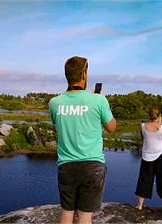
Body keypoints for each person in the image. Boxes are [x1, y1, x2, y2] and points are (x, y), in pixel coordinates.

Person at [48, 56, 116, 224]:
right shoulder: (99, 100)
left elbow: (61, 122)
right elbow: (112, 127)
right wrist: (101, 102)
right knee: (85, 216)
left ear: (67, 75)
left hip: (66, 165)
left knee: (67, 212)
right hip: (92, 165)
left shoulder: (54, 103)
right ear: (84, 74)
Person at [135, 107, 162, 212]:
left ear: (149, 115)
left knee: (144, 180)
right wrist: (160, 123)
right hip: (160, 156)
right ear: (159, 116)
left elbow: (143, 138)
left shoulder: (142, 126)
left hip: (146, 157)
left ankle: (139, 206)